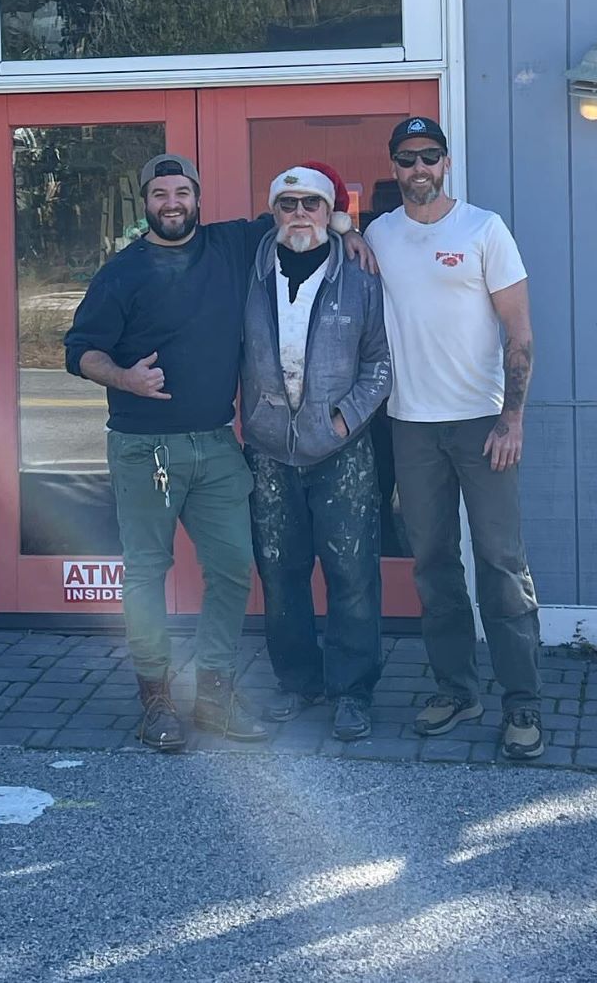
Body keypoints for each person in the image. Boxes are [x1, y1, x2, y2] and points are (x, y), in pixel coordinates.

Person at [65, 152, 375, 753]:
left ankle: (212, 691)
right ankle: (155, 699)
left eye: (182, 192)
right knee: (147, 574)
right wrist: (124, 378)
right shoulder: (121, 272)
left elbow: (304, 213)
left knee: (233, 568)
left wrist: (352, 232)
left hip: (216, 443)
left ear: (197, 199)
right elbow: (78, 350)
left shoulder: (230, 245)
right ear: (147, 204)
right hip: (143, 447)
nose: (172, 203)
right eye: (160, 194)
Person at [364, 117, 544, 760]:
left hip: (482, 425)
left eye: (430, 157)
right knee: (434, 564)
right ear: (394, 166)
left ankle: (522, 702)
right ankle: (456, 688)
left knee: (500, 563)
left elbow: (518, 334)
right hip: (410, 426)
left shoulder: (483, 230)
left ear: (446, 163)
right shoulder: (378, 236)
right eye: (407, 158)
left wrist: (511, 419)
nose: (419, 168)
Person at [241, 163, 391, 741]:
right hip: (270, 451)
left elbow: (380, 364)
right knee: (281, 573)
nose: (298, 214)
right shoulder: (248, 269)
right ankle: (296, 682)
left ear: (332, 212)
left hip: (343, 449)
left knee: (352, 573)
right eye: (287, 204)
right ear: (272, 210)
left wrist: (343, 417)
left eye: (311, 204)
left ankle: (352, 691)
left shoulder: (360, 275)